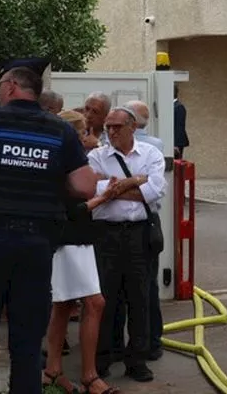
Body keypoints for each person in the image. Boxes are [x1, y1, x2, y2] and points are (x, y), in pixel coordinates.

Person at [0, 67, 97, 394]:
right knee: (27, 344)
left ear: (11, 87)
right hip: (37, 246)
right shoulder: (60, 130)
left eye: (0, 86)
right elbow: (85, 186)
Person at [44, 113, 138, 394]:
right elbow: (69, 209)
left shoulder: (67, 161)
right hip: (69, 240)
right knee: (93, 303)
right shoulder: (64, 163)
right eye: (84, 132)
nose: (90, 137)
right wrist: (103, 197)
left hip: (77, 239)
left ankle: (54, 370)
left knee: (63, 305)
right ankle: (88, 376)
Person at [89, 106, 167, 383]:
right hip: (106, 234)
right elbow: (93, 190)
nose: (111, 132)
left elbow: (155, 190)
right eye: (108, 127)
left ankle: (137, 360)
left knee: (140, 297)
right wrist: (135, 181)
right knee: (105, 298)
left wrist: (113, 189)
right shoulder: (96, 156)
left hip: (138, 234)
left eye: (117, 127)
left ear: (133, 127)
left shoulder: (151, 154)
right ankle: (103, 358)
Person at [172, 88, 189, 160]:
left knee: (176, 164)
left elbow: (179, 126)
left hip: (176, 142)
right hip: (172, 141)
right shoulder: (172, 106)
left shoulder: (179, 107)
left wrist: (175, 144)